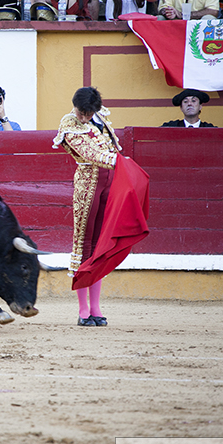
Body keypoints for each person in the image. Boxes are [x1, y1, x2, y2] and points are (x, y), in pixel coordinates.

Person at [53, 87, 149, 327]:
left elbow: (114, 147)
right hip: (88, 186)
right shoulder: (69, 122)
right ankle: (83, 310)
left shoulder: (101, 118)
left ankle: (96, 308)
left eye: (88, 112)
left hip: (110, 185)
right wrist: (118, 161)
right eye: (81, 112)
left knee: (101, 245)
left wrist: (121, 162)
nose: (84, 117)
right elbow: (90, 152)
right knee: (84, 243)